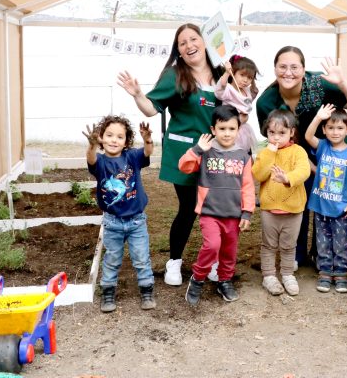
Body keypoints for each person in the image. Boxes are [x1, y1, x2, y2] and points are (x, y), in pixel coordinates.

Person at [117, 23, 223, 288]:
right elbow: (151, 109)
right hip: (185, 152)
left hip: (216, 152)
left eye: (193, 39)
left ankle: (214, 262)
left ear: (204, 41)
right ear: (178, 50)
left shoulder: (223, 73)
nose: (189, 45)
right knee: (188, 209)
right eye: (182, 43)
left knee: (218, 209)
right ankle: (174, 262)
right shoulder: (175, 75)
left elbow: (238, 106)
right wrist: (138, 94)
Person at [256, 46, 347, 268]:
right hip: (294, 155)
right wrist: (296, 160)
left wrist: (342, 82)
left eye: (294, 67)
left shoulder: (320, 83)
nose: (288, 72)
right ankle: (296, 255)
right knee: (298, 201)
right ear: (275, 69)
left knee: (325, 200)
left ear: (304, 69)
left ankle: (321, 254)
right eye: (282, 67)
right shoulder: (265, 102)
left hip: (331, 152)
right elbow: (274, 136)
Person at [177, 105, 255, 306]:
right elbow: (184, 167)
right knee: (212, 245)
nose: (227, 133)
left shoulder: (244, 156)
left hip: (234, 214)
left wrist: (247, 212)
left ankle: (224, 280)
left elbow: (247, 186)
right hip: (209, 212)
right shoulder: (205, 152)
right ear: (213, 130)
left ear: (238, 130)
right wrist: (196, 149)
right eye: (222, 129)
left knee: (229, 251)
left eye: (231, 129)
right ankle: (198, 278)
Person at [84, 115, 155, 313]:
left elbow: (147, 152)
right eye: (109, 135)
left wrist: (148, 140)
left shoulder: (131, 157)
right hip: (112, 222)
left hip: (137, 221)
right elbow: (90, 158)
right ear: (101, 138)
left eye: (120, 137)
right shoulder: (100, 162)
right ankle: (108, 291)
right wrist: (90, 146)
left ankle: (146, 290)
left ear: (126, 141)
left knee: (141, 257)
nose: (114, 140)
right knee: (112, 258)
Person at [252, 109, 311, 296]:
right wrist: (269, 153)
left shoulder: (298, 151)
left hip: (293, 209)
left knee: (288, 245)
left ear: (291, 132)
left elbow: (304, 171)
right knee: (268, 244)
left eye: (282, 133)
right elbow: (258, 174)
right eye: (272, 133)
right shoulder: (264, 153)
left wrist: (287, 178)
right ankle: (268, 275)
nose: (276, 138)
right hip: (269, 209)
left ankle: (287, 274)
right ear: (266, 132)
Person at [304, 104, 347, 294]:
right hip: (320, 205)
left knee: (341, 241)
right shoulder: (323, 147)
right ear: (325, 130)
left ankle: (341, 273)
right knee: (322, 241)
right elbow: (308, 137)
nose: (335, 132)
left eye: (340, 128)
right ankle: (325, 272)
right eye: (331, 128)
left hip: (342, 207)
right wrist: (319, 117)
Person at [215, 55, 259, 154]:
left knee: (244, 156)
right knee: (231, 155)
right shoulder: (228, 89)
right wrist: (227, 72)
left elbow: (254, 92)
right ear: (233, 73)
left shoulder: (246, 91)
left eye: (249, 77)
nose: (245, 80)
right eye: (242, 75)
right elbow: (220, 88)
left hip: (243, 129)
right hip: (230, 129)